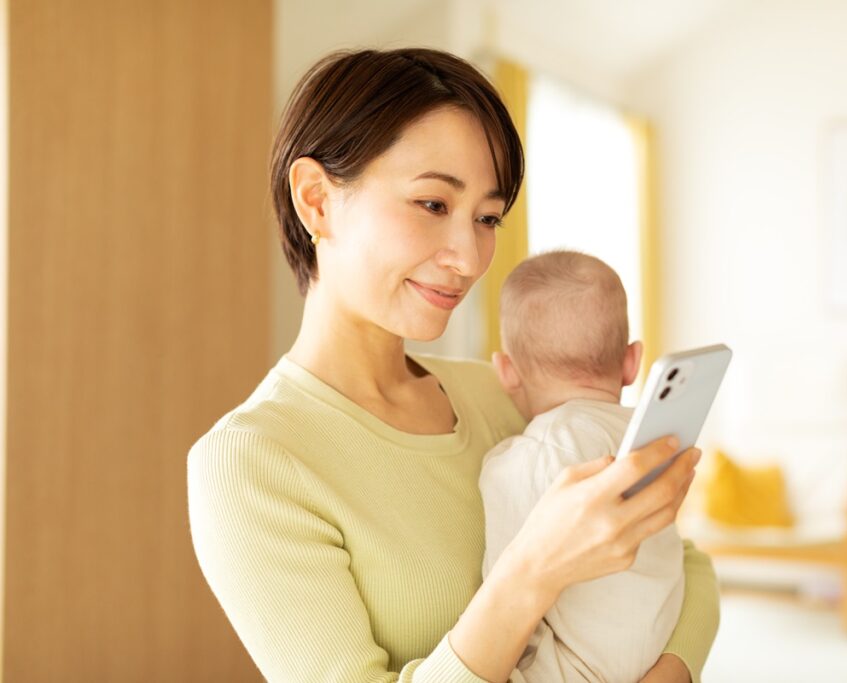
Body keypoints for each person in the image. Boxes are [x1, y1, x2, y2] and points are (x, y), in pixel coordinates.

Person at [187, 47, 719, 683]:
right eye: (434, 205)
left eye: (487, 218)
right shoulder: (253, 461)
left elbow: (679, 562)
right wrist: (535, 567)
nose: (469, 258)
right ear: (317, 200)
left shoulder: (503, 392)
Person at [480, 250, 687, 683]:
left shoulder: (529, 456)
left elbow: (504, 591)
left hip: (576, 670)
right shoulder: (651, 439)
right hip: (655, 649)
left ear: (507, 372)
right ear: (632, 362)